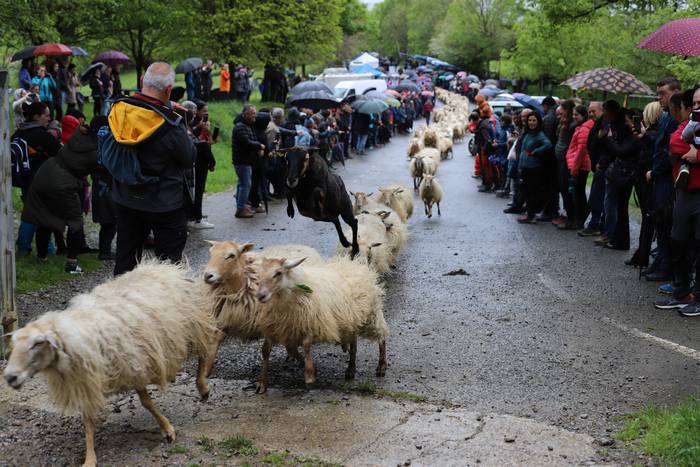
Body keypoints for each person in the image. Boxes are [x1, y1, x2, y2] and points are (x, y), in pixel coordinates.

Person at [108, 62, 196, 276]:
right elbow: (188, 159)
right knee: (168, 267)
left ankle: (120, 303)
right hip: (163, 203)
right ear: (168, 90)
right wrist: (182, 125)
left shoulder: (119, 110)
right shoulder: (170, 124)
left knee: (126, 260)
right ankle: (163, 306)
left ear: (142, 82)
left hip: (126, 197)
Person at [21, 117, 105, 273]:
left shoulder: (78, 135)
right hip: (63, 180)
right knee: (75, 221)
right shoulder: (95, 151)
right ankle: (72, 264)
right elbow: (104, 170)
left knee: (44, 215)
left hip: (47, 171)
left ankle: (41, 258)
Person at [656, 85, 700, 316]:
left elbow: (686, 149)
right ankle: (682, 292)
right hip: (684, 193)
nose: (696, 107)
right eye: (694, 103)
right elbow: (674, 143)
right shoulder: (689, 124)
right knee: (678, 241)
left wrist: (698, 154)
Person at [643, 78, 682, 279]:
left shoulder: (676, 118)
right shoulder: (665, 115)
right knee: (659, 219)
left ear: (676, 92)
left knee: (665, 221)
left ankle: (666, 266)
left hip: (666, 177)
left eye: (663, 93)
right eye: (658, 94)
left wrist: (656, 170)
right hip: (658, 174)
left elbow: (669, 150)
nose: (659, 98)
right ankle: (660, 260)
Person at [13, 102, 62, 255]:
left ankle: (23, 247)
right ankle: (47, 249)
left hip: (24, 179)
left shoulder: (18, 133)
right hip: (42, 180)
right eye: (46, 115)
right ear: (36, 116)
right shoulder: (42, 136)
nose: (49, 118)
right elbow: (60, 155)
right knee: (44, 215)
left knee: (29, 213)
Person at [596, 101, 643, 250]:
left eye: (629, 119)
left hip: (626, 174)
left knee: (620, 208)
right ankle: (619, 239)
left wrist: (608, 138)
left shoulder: (635, 137)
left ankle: (620, 240)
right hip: (622, 172)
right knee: (620, 207)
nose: (627, 122)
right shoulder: (626, 133)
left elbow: (620, 151)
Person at [184, 100, 217, 229]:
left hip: (201, 158)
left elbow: (207, 141)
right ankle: (195, 217)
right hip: (197, 162)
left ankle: (196, 214)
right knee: (196, 190)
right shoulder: (189, 124)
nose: (205, 114)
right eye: (203, 111)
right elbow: (197, 142)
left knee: (197, 190)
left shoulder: (194, 124)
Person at [517, 111, 553, 223]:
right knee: (526, 191)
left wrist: (537, 151)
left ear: (538, 122)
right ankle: (530, 214)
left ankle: (531, 216)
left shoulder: (539, 134)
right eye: (530, 120)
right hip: (525, 167)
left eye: (534, 120)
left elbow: (548, 144)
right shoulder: (528, 133)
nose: (531, 122)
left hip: (533, 168)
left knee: (531, 192)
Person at [563, 105, 593, 230]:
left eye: (577, 115)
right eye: (574, 114)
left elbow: (581, 150)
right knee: (578, 193)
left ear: (583, 115)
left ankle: (579, 220)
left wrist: (574, 168)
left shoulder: (584, 129)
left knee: (578, 194)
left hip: (579, 165)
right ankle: (578, 219)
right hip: (578, 164)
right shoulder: (581, 127)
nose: (574, 117)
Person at [232, 104, 265, 218]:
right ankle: (241, 209)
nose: (254, 116)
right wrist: (259, 146)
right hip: (242, 161)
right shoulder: (240, 127)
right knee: (245, 185)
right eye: (252, 114)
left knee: (242, 184)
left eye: (255, 114)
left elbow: (251, 140)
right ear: (244, 114)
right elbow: (246, 142)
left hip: (246, 161)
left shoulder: (247, 125)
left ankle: (241, 205)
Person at [579, 101, 606, 237]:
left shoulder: (605, 126)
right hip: (597, 166)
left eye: (593, 111)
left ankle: (596, 225)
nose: (590, 114)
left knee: (597, 197)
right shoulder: (597, 125)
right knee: (596, 197)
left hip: (603, 166)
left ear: (602, 110)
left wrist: (600, 161)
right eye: (589, 111)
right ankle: (597, 224)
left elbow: (606, 147)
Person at [553, 100, 577, 228]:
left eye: (561, 109)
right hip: (561, 159)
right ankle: (568, 215)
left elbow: (570, 145)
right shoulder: (563, 123)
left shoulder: (571, 125)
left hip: (566, 161)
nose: (559, 111)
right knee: (563, 188)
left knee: (566, 188)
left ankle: (572, 217)